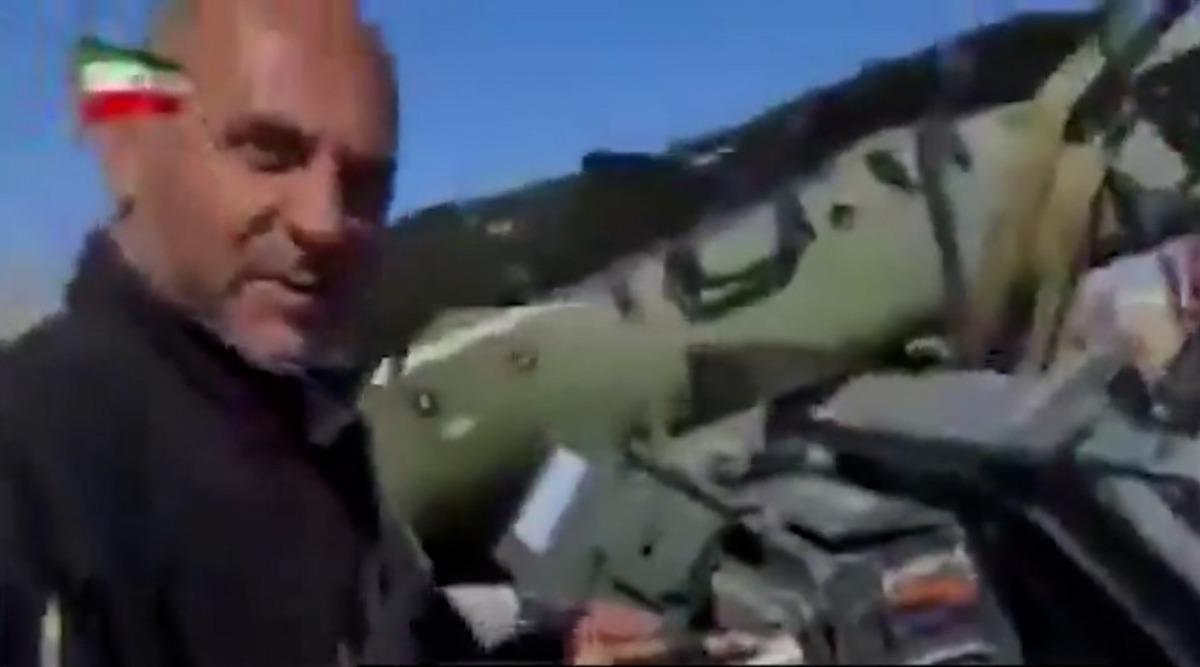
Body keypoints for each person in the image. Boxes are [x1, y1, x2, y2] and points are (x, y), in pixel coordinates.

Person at [0, 1, 674, 665]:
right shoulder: (36, 468)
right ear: (134, 149)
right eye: (267, 152)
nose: (324, 223)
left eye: (364, 183)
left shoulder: (307, 421)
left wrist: (555, 648)